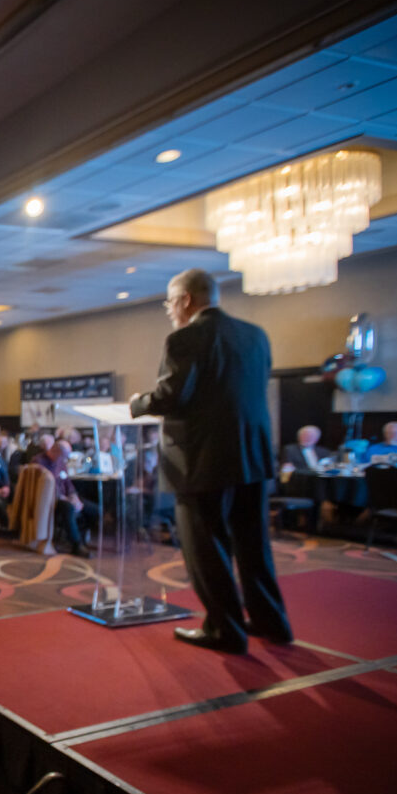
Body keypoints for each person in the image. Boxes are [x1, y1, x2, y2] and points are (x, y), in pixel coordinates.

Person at [130, 268, 291, 653]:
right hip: (251, 457)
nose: (169, 311)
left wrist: (138, 403)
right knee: (254, 545)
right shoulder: (256, 336)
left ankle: (225, 630)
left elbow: (171, 396)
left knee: (207, 550)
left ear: (186, 299)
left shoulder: (185, 337)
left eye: (170, 303)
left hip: (202, 461)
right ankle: (272, 622)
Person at [33, 440, 99, 557]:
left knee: (95, 510)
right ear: (56, 451)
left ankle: (81, 536)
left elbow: (68, 483)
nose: (66, 459)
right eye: (65, 456)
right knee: (68, 508)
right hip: (50, 501)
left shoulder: (60, 462)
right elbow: (44, 488)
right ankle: (77, 545)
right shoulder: (39, 462)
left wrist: (74, 497)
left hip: (66, 497)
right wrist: (67, 500)